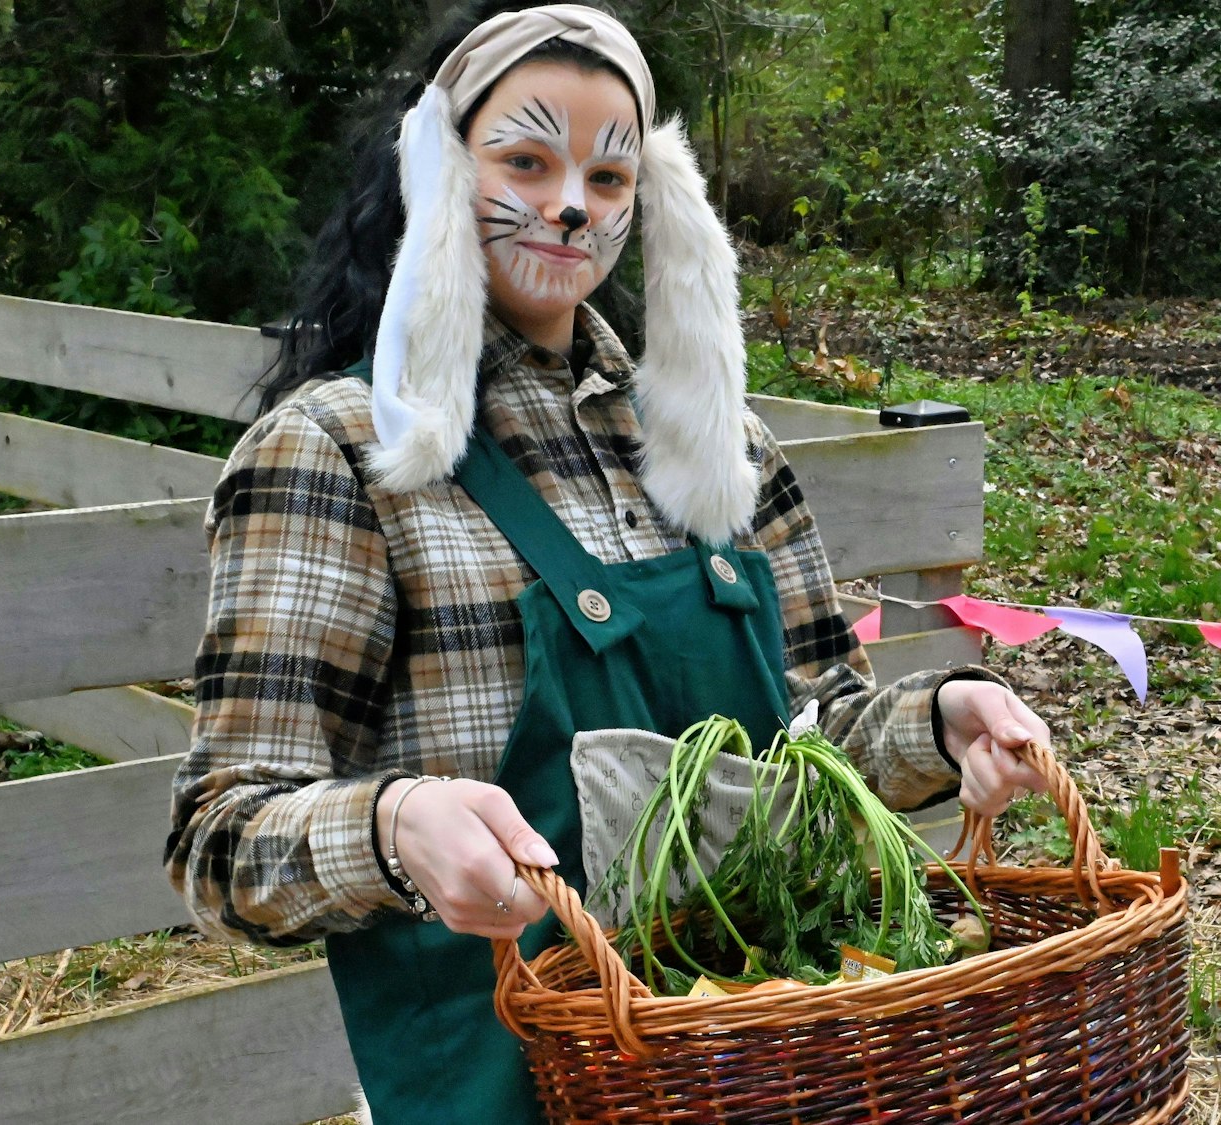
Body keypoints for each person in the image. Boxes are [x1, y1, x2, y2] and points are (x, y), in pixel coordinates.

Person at [163, 4, 1051, 1122]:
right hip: (510, 1086)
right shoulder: (340, 454)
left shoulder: (716, 449)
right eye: (525, 160)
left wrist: (938, 721)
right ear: (437, 169)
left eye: (610, 178)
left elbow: (817, 740)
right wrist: (395, 828)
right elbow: (222, 840)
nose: (571, 206)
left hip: (764, 1076)